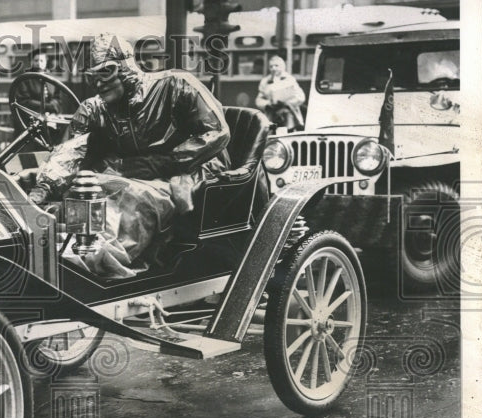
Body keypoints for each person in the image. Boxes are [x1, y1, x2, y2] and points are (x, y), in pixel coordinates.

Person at [28, 33, 230, 277]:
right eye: (93, 77)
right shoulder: (94, 108)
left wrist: (166, 162)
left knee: (135, 199)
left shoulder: (177, 84)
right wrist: (43, 188)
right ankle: (65, 249)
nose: (98, 84)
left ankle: (104, 262)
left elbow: (218, 132)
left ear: (125, 67)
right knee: (86, 188)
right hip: (128, 172)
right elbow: (68, 153)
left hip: (186, 171)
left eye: (106, 73)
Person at [255, 55, 306, 130]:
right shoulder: (265, 81)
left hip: (289, 114)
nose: (273, 68)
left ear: (282, 67)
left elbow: (301, 97)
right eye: (271, 66)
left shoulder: (290, 79)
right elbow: (258, 100)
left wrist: (287, 103)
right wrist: (267, 103)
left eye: (276, 66)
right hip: (272, 114)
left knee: (288, 133)